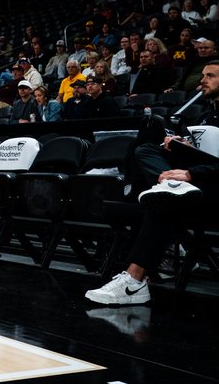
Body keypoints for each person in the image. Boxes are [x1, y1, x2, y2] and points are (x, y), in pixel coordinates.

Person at [85, 60, 219, 305]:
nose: (202, 80)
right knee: (146, 147)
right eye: (202, 75)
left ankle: (134, 281)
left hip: (212, 184)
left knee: (163, 200)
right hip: (198, 180)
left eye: (210, 76)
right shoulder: (205, 115)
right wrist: (181, 145)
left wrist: (192, 174)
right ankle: (169, 184)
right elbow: (204, 151)